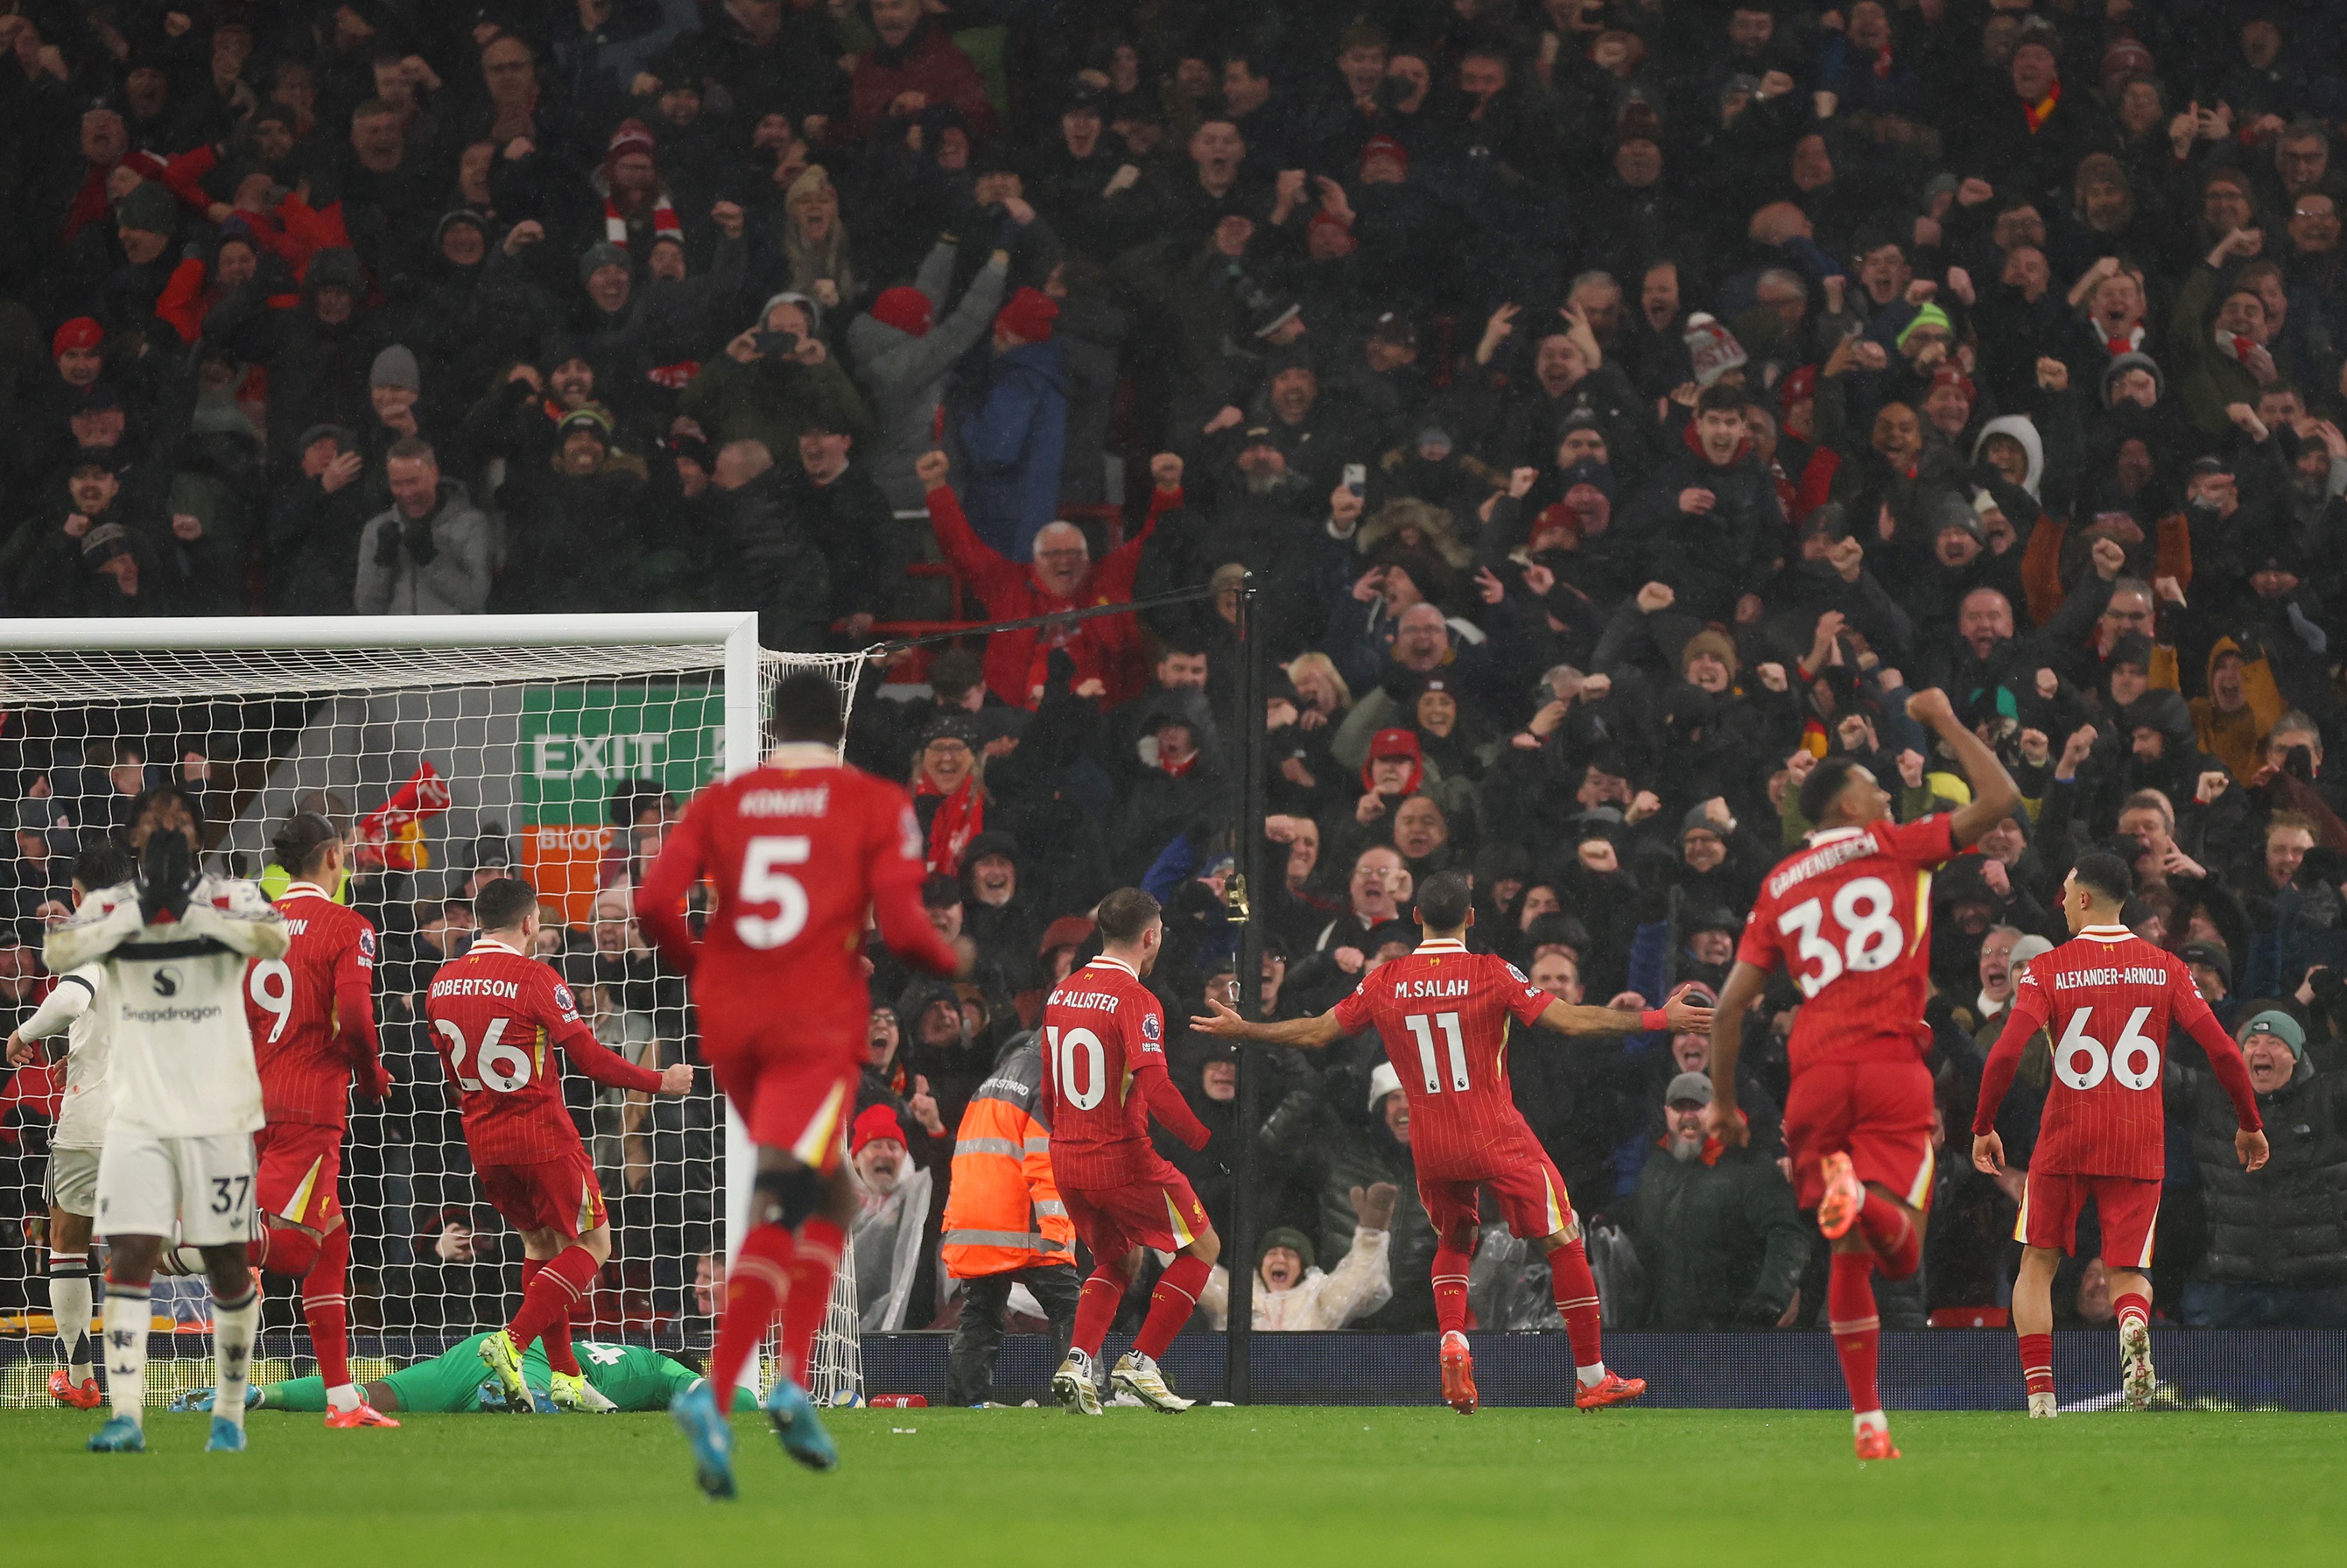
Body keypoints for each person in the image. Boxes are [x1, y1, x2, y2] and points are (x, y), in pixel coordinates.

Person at [1192, 869, 1712, 1414]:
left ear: (1416, 918)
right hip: (1492, 1129)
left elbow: (1318, 1031)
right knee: (1564, 1238)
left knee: (1455, 1240)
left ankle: (1454, 1344)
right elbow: (1571, 1022)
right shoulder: (1492, 972)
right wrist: (1659, 1018)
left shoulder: (1386, 980)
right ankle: (1591, 1377)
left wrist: (1246, 1030)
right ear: (1470, 917)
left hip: (1431, 1140)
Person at [637, 671, 964, 1498]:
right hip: (809, 1027)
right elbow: (907, 926)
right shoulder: (871, 800)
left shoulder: (722, 799)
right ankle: (723, 1392)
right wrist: (948, 963)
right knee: (784, 1200)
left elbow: (651, 903)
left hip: (731, 1026)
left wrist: (704, 967)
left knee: (827, 1195)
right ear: (841, 724)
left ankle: (786, 1380)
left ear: (774, 728)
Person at [1707, 687, 2020, 1461]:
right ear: (1846, 802)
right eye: (1873, 785)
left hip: (1812, 1075)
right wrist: (1944, 721)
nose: (1884, 793)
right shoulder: (1898, 843)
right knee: (1902, 1249)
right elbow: (2003, 799)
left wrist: (1721, 1102)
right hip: (1887, 1065)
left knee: (1843, 1247)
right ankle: (1865, 1207)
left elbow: (1727, 1010)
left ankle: (1868, 1422)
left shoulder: (1778, 883)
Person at [1971, 852, 2267, 1416]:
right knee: (2128, 1269)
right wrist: (2249, 1123)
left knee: (2037, 1262)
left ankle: (2040, 1396)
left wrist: (1984, 1125)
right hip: (2136, 1134)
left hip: (2065, 1133)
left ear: (2084, 897)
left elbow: (2007, 1052)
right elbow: (2225, 1051)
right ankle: (2133, 1328)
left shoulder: (2047, 970)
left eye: (2064, 892)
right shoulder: (2165, 967)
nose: (2060, 903)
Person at [44, 785, 290, 1453]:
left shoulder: (230, 896)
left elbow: (275, 937)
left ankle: (230, 1415)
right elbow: (60, 959)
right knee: (127, 1254)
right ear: (136, 840)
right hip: (137, 1111)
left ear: (197, 833)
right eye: (154, 821)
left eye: (179, 818)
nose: (168, 828)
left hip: (216, 1108)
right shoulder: (112, 907)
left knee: (228, 1261)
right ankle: (125, 1413)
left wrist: (191, 912)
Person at [425, 876, 692, 1417]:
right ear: (529, 924)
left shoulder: (442, 983)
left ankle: (567, 1377)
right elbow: (591, 1061)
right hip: (542, 1137)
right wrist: (660, 1081)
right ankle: (513, 1341)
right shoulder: (536, 978)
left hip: (484, 1139)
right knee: (596, 1245)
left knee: (540, 1248)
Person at [237, 812, 397, 1428]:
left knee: (332, 1240)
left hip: (259, 1094)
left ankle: (342, 1398)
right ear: (331, 857)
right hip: (312, 1101)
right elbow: (355, 1017)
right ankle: (176, 1243)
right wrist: (371, 1071)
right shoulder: (347, 924)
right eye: (348, 854)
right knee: (297, 1244)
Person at [1040, 886, 1222, 1415]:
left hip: (1067, 1157)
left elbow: (1051, 1089)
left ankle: (1078, 1361)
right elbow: (1158, 1088)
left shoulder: (1062, 993)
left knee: (1118, 1259)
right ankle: (1140, 1364)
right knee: (1202, 1247)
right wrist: (1205, 1141)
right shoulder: (1137, 1000)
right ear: (1149, 937)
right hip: (1121, 1157)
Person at [4, 843, 131, 1410]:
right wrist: (84, 1052)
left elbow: (71, 999)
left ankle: (80, 1378)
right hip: (149, 1115)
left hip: (89, 1123)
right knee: (154, 1239)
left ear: (78, 896)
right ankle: (241, 1256)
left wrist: (24, 1034)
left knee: (67, 1241)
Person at [939, 1029, 1079, 1406]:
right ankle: (1085, 1393)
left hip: (976, 1222)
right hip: (1022, 1222)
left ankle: (964, 1403)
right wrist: (1057, 1230)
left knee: (981, 1311)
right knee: (1072, 1308)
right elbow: (1044, 1158)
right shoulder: (1049, 1081)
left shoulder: (989, 1085)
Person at [179, 1332, 755, 1417]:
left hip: (485, 1340)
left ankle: (257, 1393)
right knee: (566, 1408)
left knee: (382, 1392)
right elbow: (727, 1397)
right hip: (536, 1361)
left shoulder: (628, 1350)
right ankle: (510, 1393)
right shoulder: (665, 1368)